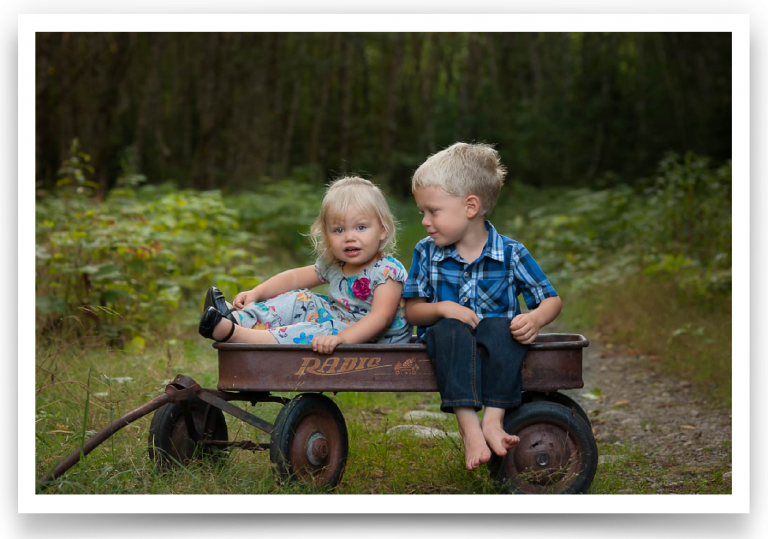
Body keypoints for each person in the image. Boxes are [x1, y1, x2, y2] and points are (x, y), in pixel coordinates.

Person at [402, 142, 562, 471]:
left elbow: (551, 298)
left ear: (470, 206)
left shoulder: (510, 253)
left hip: (496, 345)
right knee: (449, 329)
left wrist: (535, 318)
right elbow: (414, 311)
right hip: (448, 342)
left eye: (433, 211)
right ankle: (469, 428)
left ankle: (493, 419)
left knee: (502, 326)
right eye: (423, 212)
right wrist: (443, 308)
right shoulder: (426, 252)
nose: (425, 221)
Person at [199, 176, 412, 355]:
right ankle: (238, 318)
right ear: (327, 235)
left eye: (361, 227)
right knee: (303, 298)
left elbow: (380, 318)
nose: (350, 237)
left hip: (376, 342)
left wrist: (340, 338)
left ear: (382, 230)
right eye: (339, 230)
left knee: (315, 330)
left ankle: (235, 335)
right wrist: (257, 293)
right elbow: (294, 278)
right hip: (340, 322)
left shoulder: (387, 271)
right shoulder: (336, 263)